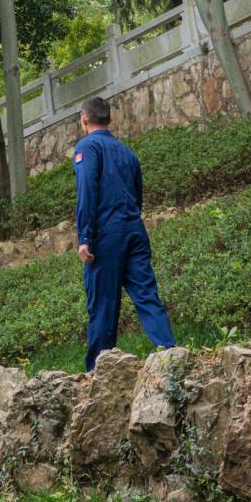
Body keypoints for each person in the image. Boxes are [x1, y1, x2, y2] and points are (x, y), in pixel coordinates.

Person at [73, 95, 175, 371]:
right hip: (134, 230)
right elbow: (138, 195)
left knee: (103, 302)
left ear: (84, 120)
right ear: (111, 120)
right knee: (146, 293)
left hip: (107, 234)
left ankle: (98, 370)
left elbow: (87, 191)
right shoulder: (127, 153)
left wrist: (84, 237)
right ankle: (170, 351)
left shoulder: (87, 147)